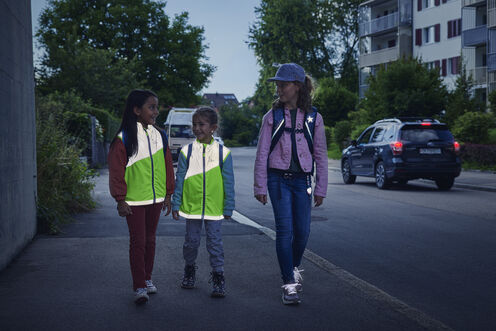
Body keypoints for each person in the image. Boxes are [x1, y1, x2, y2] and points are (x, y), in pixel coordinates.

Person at [253, 63, 328, 305]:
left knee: (303, 232)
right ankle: (289, 284)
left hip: (302, 181)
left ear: (296, 86)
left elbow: (321, 155)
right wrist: (260, 186)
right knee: (285, 231)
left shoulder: (314, 118)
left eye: (282, 85)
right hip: (278, 180)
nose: (278, 89)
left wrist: (321, 188)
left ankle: (291, 267)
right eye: (277, 85)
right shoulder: (271, 117)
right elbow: (262, 153)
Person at [108, 89, 175, 304]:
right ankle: (139, 286)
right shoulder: (124, 138)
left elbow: (167, 167)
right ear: (137, 110)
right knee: (138, 242)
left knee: (150, 240)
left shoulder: (160, 135)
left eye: (156, 107)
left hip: (155, 199)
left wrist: (168, 193)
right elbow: (117, 171)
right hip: (134, 202)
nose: (156, 111)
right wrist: (120, 199)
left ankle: (147, 278)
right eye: (151, 107)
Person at [172, 106, 235, 298]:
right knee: (191, 242)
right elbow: (180, 179)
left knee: (215, 243)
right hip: (191, 208)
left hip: (214, 209)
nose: (197, 128)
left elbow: (228, 182)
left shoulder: (224, 153)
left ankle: (218, 276)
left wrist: (228, 206)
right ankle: (189, 269)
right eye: (194, 124)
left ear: (213, 127)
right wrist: (176, 204)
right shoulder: (186, 152)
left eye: (201, 124)